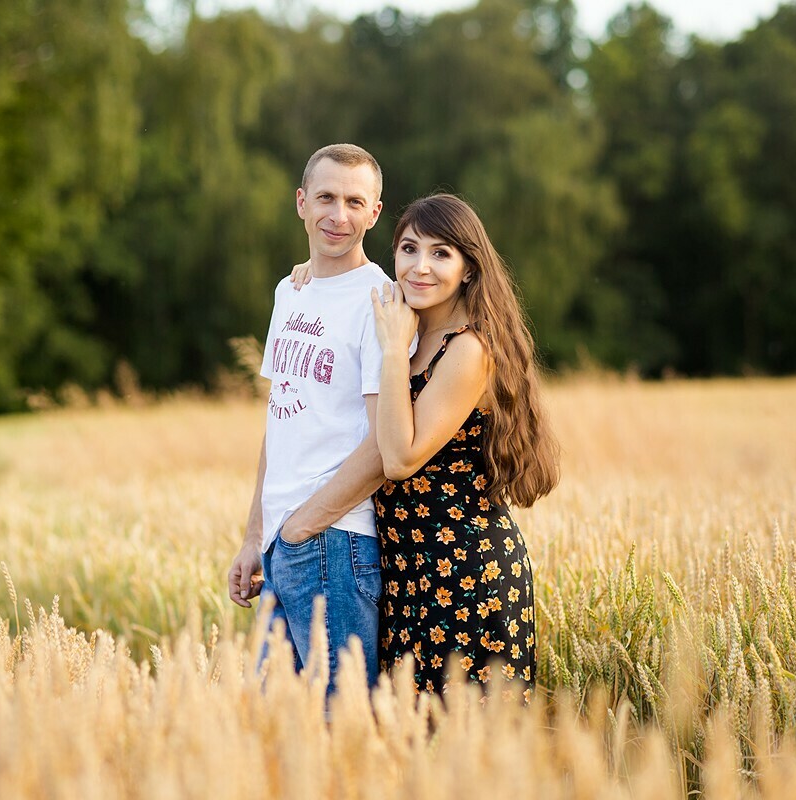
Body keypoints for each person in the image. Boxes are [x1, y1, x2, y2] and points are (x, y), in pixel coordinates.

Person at [368, 193, 560, 701]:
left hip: (467, 572)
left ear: (469, 269)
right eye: (409, 249)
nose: (419, 267)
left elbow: (400, 458)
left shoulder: (468, 348)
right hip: (407, 573)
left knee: (468, 756)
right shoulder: (410, 334)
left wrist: (390, 349)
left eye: (440, 253)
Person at [226, 143, 389, 691]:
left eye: (353, 201)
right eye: (325, 197)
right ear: (301, 202)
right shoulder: (289, 292)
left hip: (335, 545)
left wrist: (307, 523)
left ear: (374, 212)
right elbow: (281, 422)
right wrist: (258, 534)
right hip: (281, 545)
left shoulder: (380, 301)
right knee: (276, 740)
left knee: (339, 730)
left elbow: (383, 443)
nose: (337, 215)